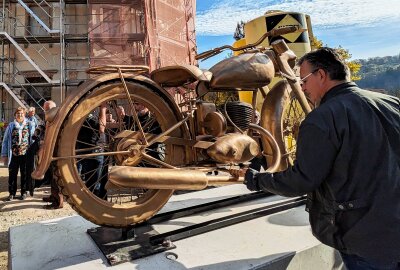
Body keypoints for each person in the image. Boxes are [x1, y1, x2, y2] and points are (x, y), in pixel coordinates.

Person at [243, 47, 400, 269]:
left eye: (304, 79)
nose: (303, 87)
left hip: (364, 237)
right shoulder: (391, 103)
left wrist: (257, 180)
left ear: (322, 75)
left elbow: (302, 180)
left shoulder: (322, 118)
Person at [1, 107, 35, 200]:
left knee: (24, 174)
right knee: (12, 175)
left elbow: (32, 139)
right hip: (13, 155)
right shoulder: (11, 125)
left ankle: (23, 192)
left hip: (25, 155)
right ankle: (12, 193)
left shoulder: (29, 124)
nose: (20, 115)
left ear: (24, 115)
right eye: (18, 114)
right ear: (15, 115)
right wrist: (4, 154)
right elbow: (5, 141)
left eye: (21, 114)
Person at [40, 100, 65, 209]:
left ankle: (57, 202)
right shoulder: (50, 119)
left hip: (56, 152)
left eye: (48, 109)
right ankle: (53, 196)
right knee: (52, 175)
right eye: (45, 110)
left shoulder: (58, 119)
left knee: (56, 177)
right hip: (50, 151)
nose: (46, 112)